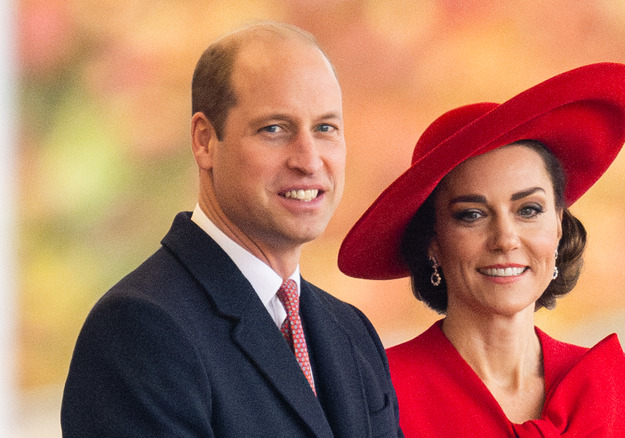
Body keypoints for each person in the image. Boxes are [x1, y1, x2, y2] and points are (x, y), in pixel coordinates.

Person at [62, 21, 401, 437]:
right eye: (274, 129)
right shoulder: (139, 328)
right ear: (204, 141)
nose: (309, 160)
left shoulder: (351, 331)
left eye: (325, 128)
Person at [338, 63, 625, 437]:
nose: (506, 239)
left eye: (528, 210)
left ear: (559, 225)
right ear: (432, 239)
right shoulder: (376, 396)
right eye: (472, 214)